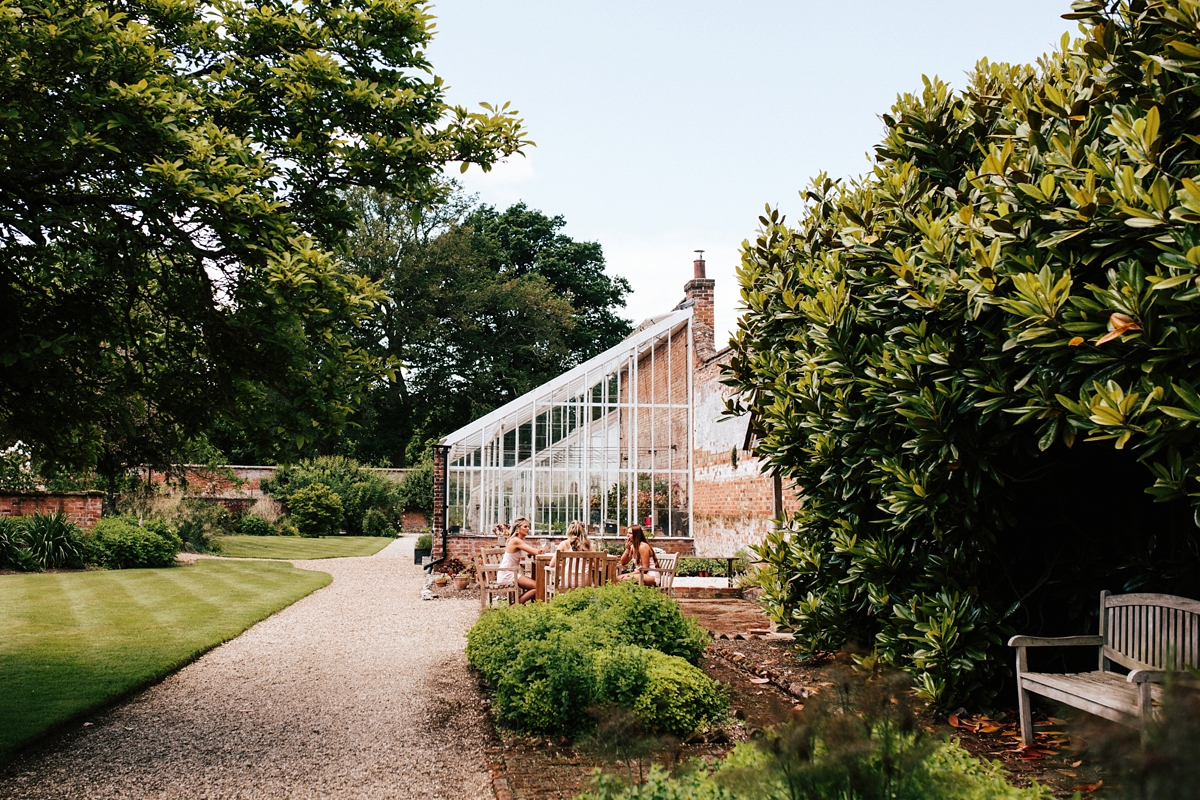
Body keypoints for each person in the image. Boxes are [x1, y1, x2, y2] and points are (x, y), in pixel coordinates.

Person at [497, 517, 542, 603]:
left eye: (528, 527)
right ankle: (515, 606)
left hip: (510, 573)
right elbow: (536, 552)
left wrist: (533, 552)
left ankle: (517, 605)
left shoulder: (517, 540)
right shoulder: (516, 541)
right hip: (507, 575)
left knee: (538, 586)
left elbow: (531, 551)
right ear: (518, 529)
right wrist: (538, 551)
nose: (528, 529)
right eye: (525, 527)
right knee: (539, 586)